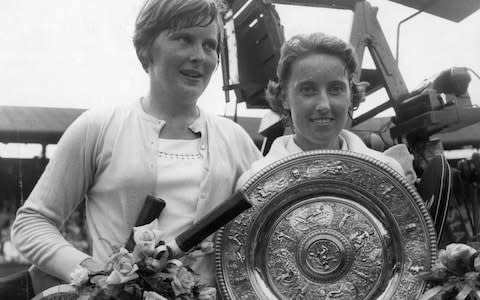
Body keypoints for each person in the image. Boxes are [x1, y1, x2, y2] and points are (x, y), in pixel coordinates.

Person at [11, 0, 261, 292]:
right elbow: (32, 222)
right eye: (184, 39)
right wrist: (93, 273)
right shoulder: (98, 126)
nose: (199, 56)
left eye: (209, 45)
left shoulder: (236, 139)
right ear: (146, 48)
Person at [238, 32, 411, 187]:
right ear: (284, 98)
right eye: (308, 90)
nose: (323, 105)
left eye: (335, 89)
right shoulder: (254, 184)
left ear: (350, 95)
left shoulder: (387, 174)